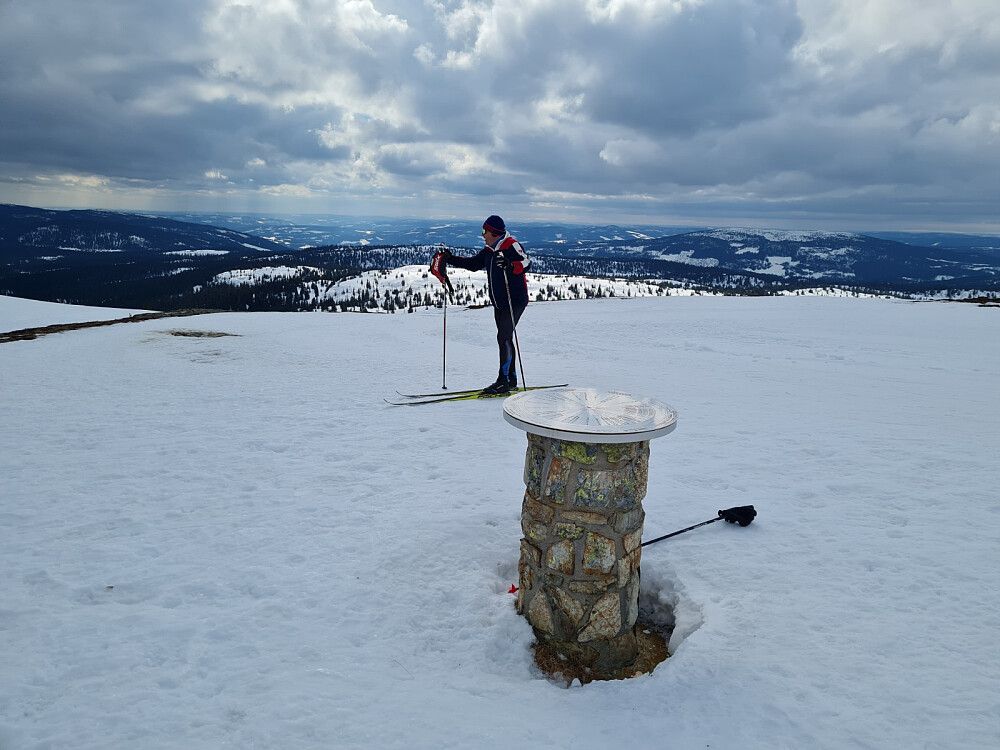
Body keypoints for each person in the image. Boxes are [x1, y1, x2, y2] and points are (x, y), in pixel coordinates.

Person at [440, 215, 530, 394]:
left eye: (484, 231)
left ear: (494, 232)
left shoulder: (511, 245)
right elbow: (473, 264)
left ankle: (502, 381)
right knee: (505, 338)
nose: (482, 235)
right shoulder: (489, 250)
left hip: (515, 301)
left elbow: (526, 263)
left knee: (503, 337)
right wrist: (450, 259)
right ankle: (511, 379)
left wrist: (510, 265)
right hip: (499, 302)